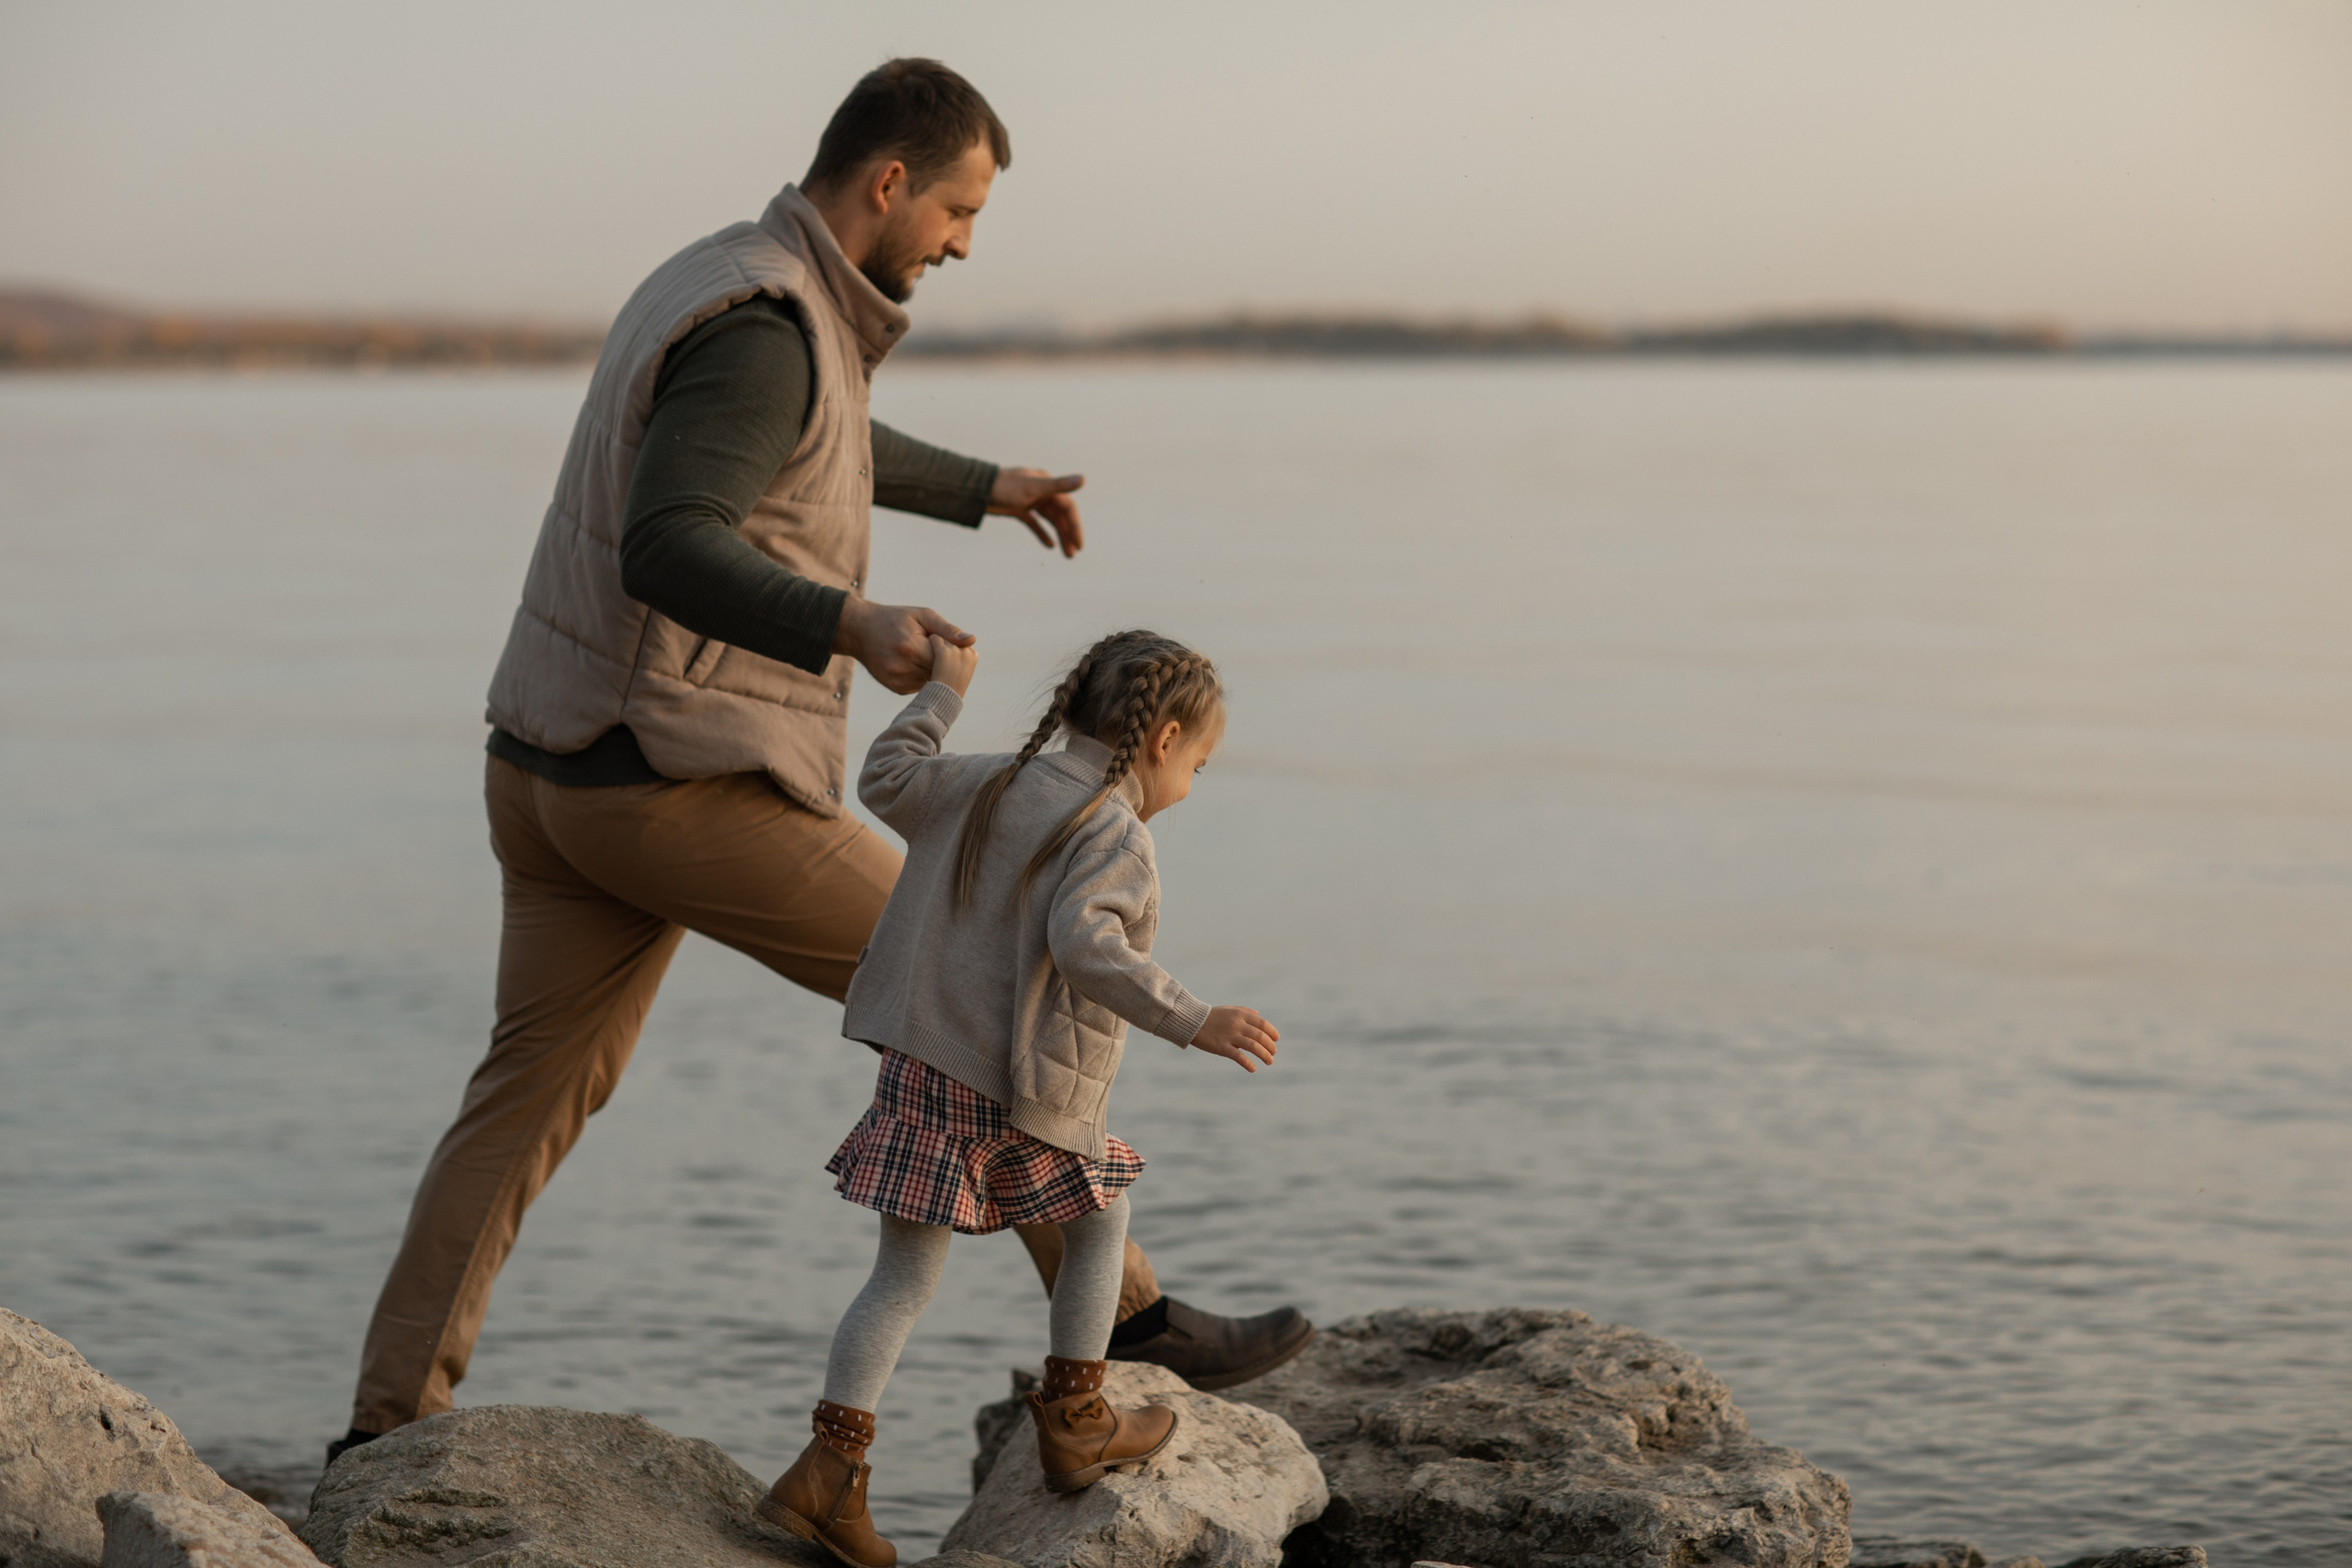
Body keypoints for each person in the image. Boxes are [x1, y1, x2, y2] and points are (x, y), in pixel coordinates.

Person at [329, 60, 1309, 1465]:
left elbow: (811, 434)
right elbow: (675, 538)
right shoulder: (772, 325)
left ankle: (380, 1432)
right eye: (962, 208)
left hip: (550, 771)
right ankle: (1128, 1332)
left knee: (525, 1097)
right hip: (674, 777)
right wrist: (849, 618)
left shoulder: (734, 278)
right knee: (994, 977)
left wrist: (986, 487)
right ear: (891, 182)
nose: (966, 242)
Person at [758, 629, 1279, 1568]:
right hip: (1007, 1085)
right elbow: (1089, 948)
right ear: (1160, 741)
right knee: (1101, 1215)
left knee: (904, 1276)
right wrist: (1194, 1017)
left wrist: (942, 694)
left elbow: (884, 776)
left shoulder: (983, 781)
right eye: (1199, 764)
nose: (1192, 785)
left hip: (917, 1066)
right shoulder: (1113, 830)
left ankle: (828, 1470)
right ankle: (1077, 1418)